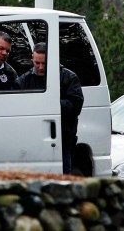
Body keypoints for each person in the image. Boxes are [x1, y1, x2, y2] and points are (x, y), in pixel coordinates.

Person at [16, 42, 84, 174]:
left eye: (44, 63)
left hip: (61, 140)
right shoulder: (23, 81)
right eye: (37, 63)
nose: (40, 67)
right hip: (31, 140)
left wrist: (48, 104)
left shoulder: (69, 78)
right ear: (32, 58)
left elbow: (75, 105)